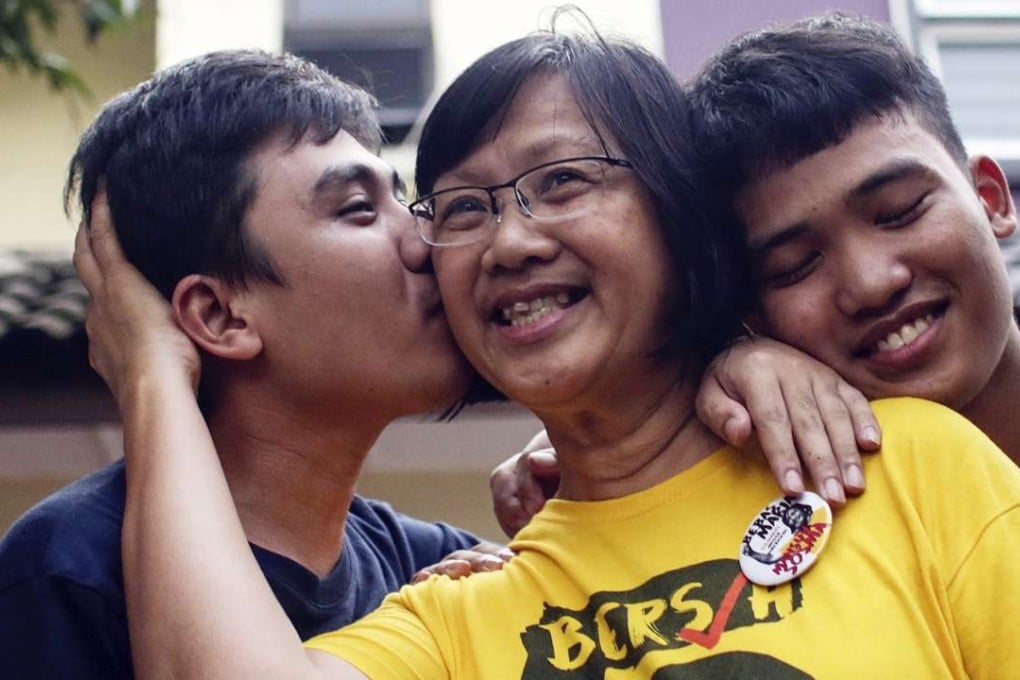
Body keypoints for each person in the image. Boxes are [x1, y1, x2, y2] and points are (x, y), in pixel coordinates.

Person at [76, 25, 1020, 678]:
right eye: (463, 209)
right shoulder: (453, 609)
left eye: (564, 180)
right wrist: (152, 367)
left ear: (678, 217)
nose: (510, 242)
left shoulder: (908, 466)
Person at [0, 50, 497, 678]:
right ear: (219, 317)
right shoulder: (71, 569)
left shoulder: (434, 566)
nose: (426, 240)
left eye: (405, 201)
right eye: (359, 210)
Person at [492, 12, 1020, 537]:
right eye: (795, 266)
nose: (871, 283)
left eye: (900, 211)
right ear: (751, 310)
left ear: (991, 199)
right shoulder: (779, 517)